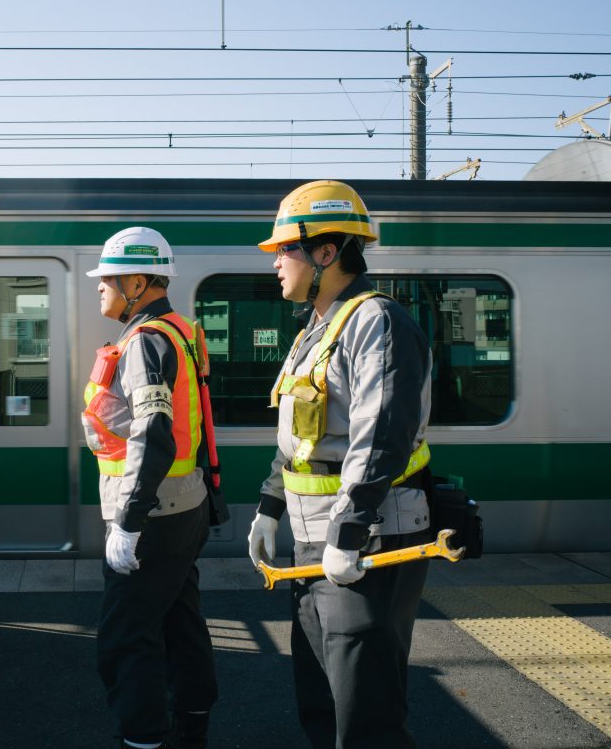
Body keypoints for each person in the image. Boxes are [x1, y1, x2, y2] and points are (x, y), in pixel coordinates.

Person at [246, 180, 433, 749]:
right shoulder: (316, 329)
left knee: (364, 716)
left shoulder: (376, 321)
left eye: (287, 249)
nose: (277, 262)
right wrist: (270, 508)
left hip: (368, 544)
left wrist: (348, 532)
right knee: (322, 704)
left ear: (327, 252)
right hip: (315, 544)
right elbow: (301, 437)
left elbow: (382, 435)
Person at [83, 226, 217, 749]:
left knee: (125, 640)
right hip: (186, 504)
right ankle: (193, 725)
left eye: (108, 279)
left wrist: (128, 523)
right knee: (181, 623)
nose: (100, 287)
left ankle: (143, 739)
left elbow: (153, 432)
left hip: (153, 515)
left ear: (137, 282)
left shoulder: (144, 342)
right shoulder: (181, 331)